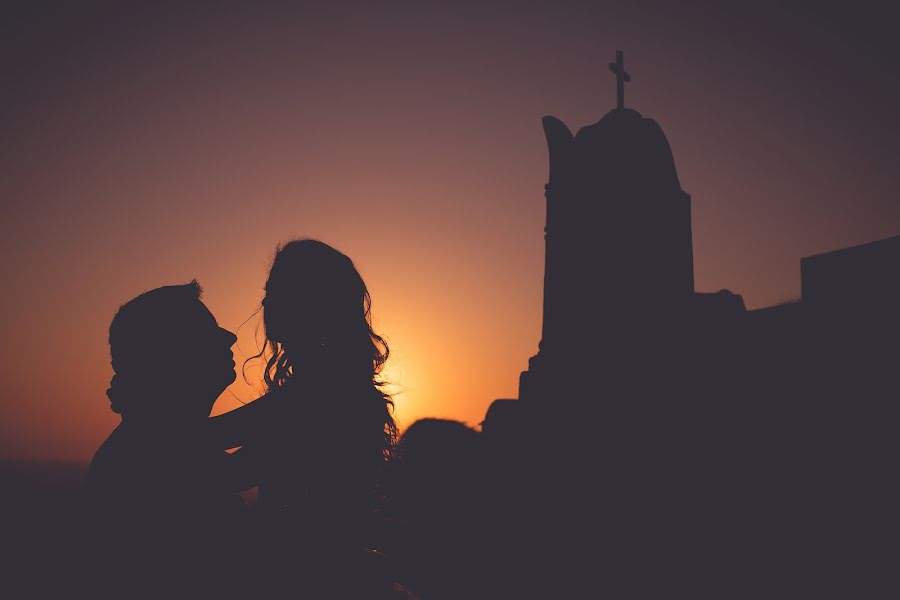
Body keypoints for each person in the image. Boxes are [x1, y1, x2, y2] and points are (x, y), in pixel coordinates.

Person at [210, 239, 397, 597]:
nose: (264, 303)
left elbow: (221, 463)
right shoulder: (334, 387)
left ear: (311, 303)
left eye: (275, 291)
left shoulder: (316, 395)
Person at [81, 281, 248, 593]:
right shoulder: (152, 453)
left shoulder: (156, 438)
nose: (230, 337)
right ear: (171, 354)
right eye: (208, 333)